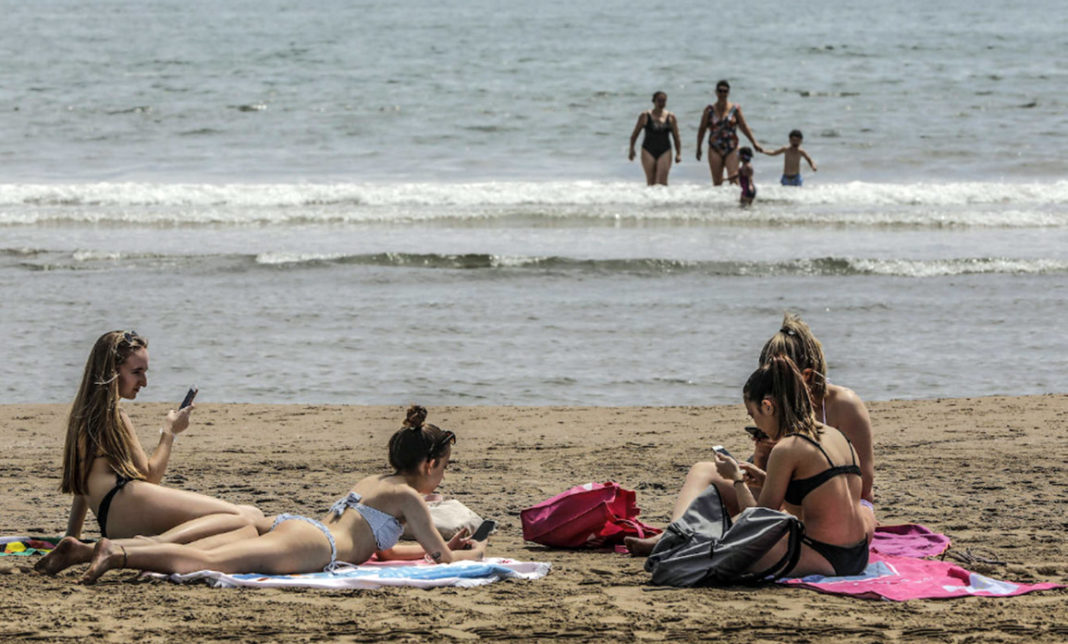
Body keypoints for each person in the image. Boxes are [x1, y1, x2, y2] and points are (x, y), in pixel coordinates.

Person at [62, 406, 487, 584]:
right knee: (210, 563)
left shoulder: (374, 482)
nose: (443, 477)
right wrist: (477, 552)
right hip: (314, 545)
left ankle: (85, 550)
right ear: (428, 464)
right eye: (445, 466)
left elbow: (380, 553)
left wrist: (433, 547)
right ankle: (116, 555)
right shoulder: (410, 498)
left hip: (301, 529)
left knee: (217, 548)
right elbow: (444, 562)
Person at [628, 357, 874, 577]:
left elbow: (755, 526)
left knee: (694, 557)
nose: (756, 424)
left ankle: (675, 539)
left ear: (768, 406)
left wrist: (736, 479)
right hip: (858, 555)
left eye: (753, 415)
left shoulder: (788, 448)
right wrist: (768, 480)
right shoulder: (835, 435)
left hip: (827, 558)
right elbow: (819, 499)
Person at [41, 331, 263, 559]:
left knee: (252, 514)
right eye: (137, 372)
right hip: (127, 508)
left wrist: (72, 535)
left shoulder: (83, 414)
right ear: (112, 371)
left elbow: (83, 483)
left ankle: (88, 549)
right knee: (245, 523)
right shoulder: (113, 416)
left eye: (145, 373)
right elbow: (150, 477)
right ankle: (135, 548)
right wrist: (170, 432)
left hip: (112, 516)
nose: (144, 382)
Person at [696, 80, 763, 186]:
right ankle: (720, 202)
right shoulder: (709, 110)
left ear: (728, 92)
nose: (722, 94)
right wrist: (698, 148)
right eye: (720, 91)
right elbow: (702, 129)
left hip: (732, 147)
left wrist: (754, 142)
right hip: (715, 147)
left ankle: (736, 201)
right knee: (717, 182)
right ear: (716, 92)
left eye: (725, 91)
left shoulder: (735, 109)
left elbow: (744, 127)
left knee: (734, 179)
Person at [628, 91, 682, 186]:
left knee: (662, 182)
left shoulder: (671, 117)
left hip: (665, 150)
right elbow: (634, 135)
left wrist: (678, 154)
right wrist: (631, 150)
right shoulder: (645, 116)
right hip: (648, 150)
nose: (661, 103)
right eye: (659, 100)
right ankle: (652, 200)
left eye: (664, 101)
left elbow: (676, 137)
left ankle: (663, 200)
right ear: (654, 101)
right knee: (651, 181)